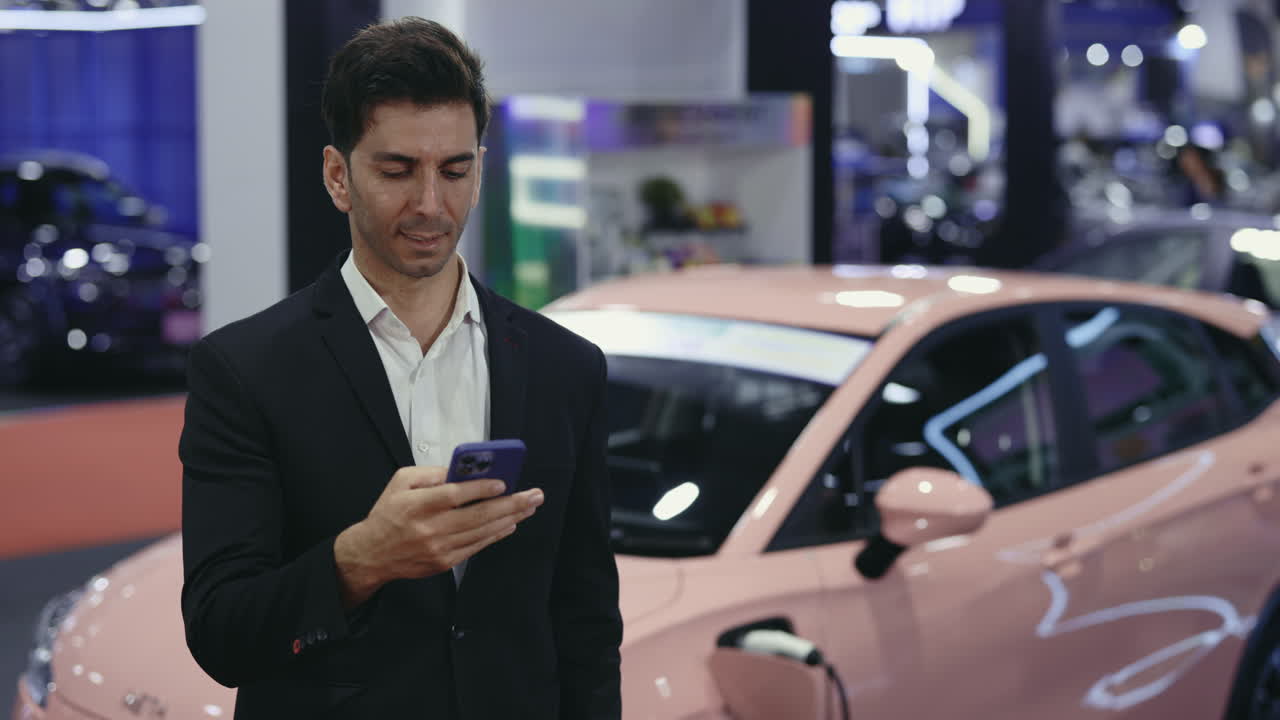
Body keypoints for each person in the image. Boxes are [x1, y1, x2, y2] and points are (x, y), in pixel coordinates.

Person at [178, 17, 621, 719]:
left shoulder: (566, 368)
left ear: (480, 167)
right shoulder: (244, 370)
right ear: (337, 176)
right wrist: (362, 558)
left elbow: (587, 623)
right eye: (396, 171)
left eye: (454, 170)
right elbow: (219, 631)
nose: (429, 204)